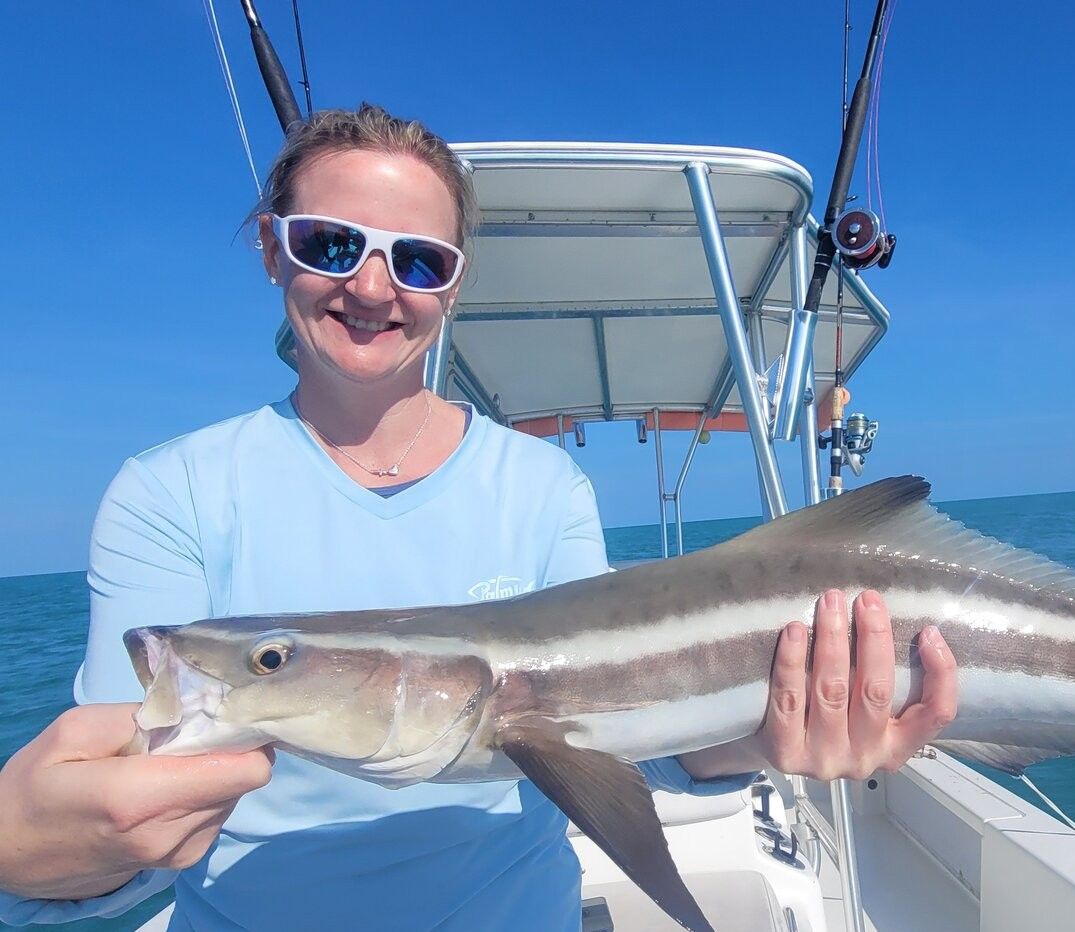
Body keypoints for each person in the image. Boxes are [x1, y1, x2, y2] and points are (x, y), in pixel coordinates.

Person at [0, 104, 958, 929]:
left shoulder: (542, 487)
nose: (372, 287)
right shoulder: (169, 492)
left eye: (417, 260)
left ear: (452, 284)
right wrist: (28, 860)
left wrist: (765, 737)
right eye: (331, 244)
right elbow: (119, 822)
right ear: (270, 246)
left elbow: (615, 743)